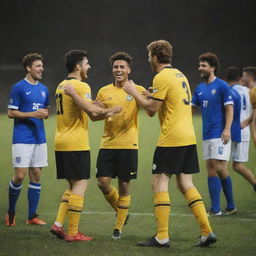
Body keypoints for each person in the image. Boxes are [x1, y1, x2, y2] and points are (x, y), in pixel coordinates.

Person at [124, 40, 216, 247]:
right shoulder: (179, 74)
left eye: (149, 56)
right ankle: (206, 231)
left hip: (172, 138)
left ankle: (162, 236)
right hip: (188, 136)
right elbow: (159, 103)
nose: (148, 59)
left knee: (158, 182)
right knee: (185, 183)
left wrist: (134, 92)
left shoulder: (161, 76)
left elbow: (150, 109)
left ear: (155, 57)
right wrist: (149, 95)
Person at [50, 49, 121, 242]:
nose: (89, 66)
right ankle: (73, 232)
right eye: (86, 63)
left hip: (61, 141)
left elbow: (89, 112)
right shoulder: (81, 86)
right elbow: (92, 112)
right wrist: (110, 111)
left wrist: (97, 107)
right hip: (76, 142)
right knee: (81, 183)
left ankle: (57, 224)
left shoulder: (61, 85)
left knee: (72, 185)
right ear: (78, 67)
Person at [95, 52, 146, 239]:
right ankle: (121, 209)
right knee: (102, 182)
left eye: (122, 67)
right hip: (107, 143)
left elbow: (150, 107)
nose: (118, 70)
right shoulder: (103, 91)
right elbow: (95, 115)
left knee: (124, 185)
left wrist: (149, 94)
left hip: (128, 144)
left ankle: (118, 228)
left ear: (129, 69)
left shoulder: (137, 89)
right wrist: (106, 111)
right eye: (116, 67)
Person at [6, 53, 49, 226]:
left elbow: (46, 108)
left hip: (39, 137)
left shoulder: (44, 89)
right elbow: (11, 112)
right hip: (22, 137)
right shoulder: (18, 87)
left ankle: (32, 216)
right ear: (28, 68)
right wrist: (32, 114)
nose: (41, 69)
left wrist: (45, 113)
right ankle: (11, 212)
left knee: (36, 175)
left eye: (42, 66)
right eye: (38, 66)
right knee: (19, 175)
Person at [191, 52, 236, 216]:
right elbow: (191, 107)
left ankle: (230, 205)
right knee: (211, 168)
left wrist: (227, 129)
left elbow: (229, 108)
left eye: (203, 65)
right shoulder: (200, 88)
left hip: (220, 133)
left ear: (212, 68)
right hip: (207, 134)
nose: (200, 68)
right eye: (200, 65)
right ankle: (216, 208)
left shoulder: (222, 86)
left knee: (219, 167)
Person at [225, 66, 256, 191]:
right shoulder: (249, 91)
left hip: (232, 130)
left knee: (221, 164)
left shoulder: (229, 90)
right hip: (244, 131)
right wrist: (248, 121)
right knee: (236, 165)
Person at [243, 66, 256, 144]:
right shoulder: (252, 90)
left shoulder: (253, 92)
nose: (242, 78)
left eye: (244, 76)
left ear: (249, 77)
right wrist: (247, 122)